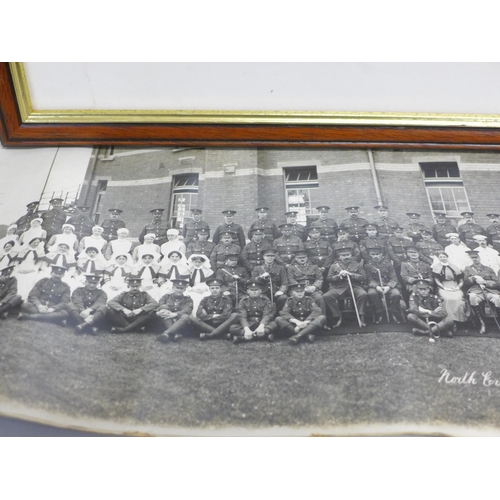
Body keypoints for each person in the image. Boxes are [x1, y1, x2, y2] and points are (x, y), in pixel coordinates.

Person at [323, 247, 368, 328]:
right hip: (338, 287)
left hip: (354, 287)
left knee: (363, 294)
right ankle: (337, 316)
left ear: (351, 256)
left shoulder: (357, 265)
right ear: (339, 257)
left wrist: (351, 274)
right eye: (343, 255)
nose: (346, 257)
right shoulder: (334, 266)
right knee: (327, 296)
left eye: (348, 255)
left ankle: (361, 315)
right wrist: (338, 276)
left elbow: (363, 277)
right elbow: (329, 279)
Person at [463, 250, 500, 334]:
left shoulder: (488, 269)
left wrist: (485, 282)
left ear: (479, 258)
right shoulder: (468, 269)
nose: (475, 259)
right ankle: (482, 323)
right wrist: (473, 279)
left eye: (476, 257)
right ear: (470, 259)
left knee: (497, 298)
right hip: (476, 291)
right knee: (472, 297)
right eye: (472, 258)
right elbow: (465, 283)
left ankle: (498, 322)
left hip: (490, 291)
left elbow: (497, 283)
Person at [364, 247, 403, 323]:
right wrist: (376, 287)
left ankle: (393, 312)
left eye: (377, 254)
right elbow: (369, 279)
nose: (375, 256)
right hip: (375, 286)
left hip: (388, 285)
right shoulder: (367, 266)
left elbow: (394, 278)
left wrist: (388, 287)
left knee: (396, 294)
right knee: (371, 293)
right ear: (369, 255)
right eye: (373, 254)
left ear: (381, 254)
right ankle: (379, 312)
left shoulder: (388, 264)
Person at [432, 250, 470, 324]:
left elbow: (461, 280)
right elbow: (437, 280)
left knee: (458, 299)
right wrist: (444, 288)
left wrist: (458, 287)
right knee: (448, 299)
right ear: (438, 258)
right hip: (443, 286)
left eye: (444, 257)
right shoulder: (436, 267)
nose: (443, 258)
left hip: (455, 286)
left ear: (447, 257)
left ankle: (460, 319)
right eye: (441, 257)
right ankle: (450, 320)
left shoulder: (454, 266)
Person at [286, 249, 326, 314]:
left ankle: (322, 318)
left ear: (307, 258)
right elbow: (291, 279)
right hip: (297, 289)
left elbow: (319, 278)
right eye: (299, 258)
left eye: (304, 258)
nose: (302, 259)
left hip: (312, 289)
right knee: (293, 298)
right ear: (295, 259)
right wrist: (302, 288)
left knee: (319, 298)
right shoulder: (291, 268)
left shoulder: (314, 267)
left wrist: (314, 287)